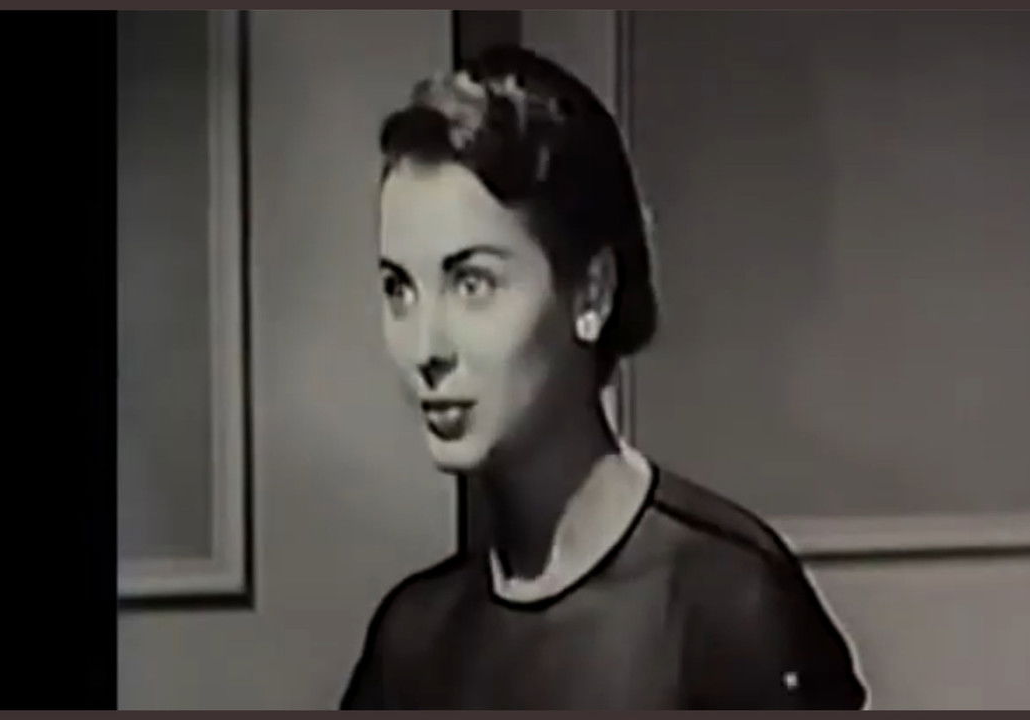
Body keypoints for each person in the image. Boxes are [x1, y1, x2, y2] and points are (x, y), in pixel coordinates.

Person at [340, 45, 867, 710]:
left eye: (472, 283)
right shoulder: (413, 639)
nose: (425, 348)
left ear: (592, 293)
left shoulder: (730, 599)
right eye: (399, 289)